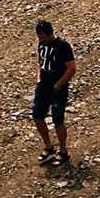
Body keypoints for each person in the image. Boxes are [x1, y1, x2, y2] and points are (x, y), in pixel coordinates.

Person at [33, 20, 76, 166]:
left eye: (43, 37)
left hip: (57, 88)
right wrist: (38, 78)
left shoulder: (62, 46)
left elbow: (71, 69)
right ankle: (48, 146)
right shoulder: (41, 45)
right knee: (37, 116)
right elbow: (39, 61)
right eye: (40, 38)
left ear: (51, 33)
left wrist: (58, 84)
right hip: (43, 86)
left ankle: (63, 151)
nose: (42, 41)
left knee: (58, 120)